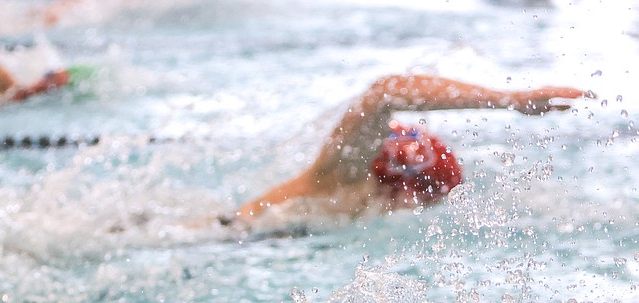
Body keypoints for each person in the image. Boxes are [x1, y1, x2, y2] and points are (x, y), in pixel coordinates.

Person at [233, 74, 587, 221]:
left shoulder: (338, 191)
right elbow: (386, 91)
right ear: (403, 195)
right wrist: (507, 100)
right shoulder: (342, 181)